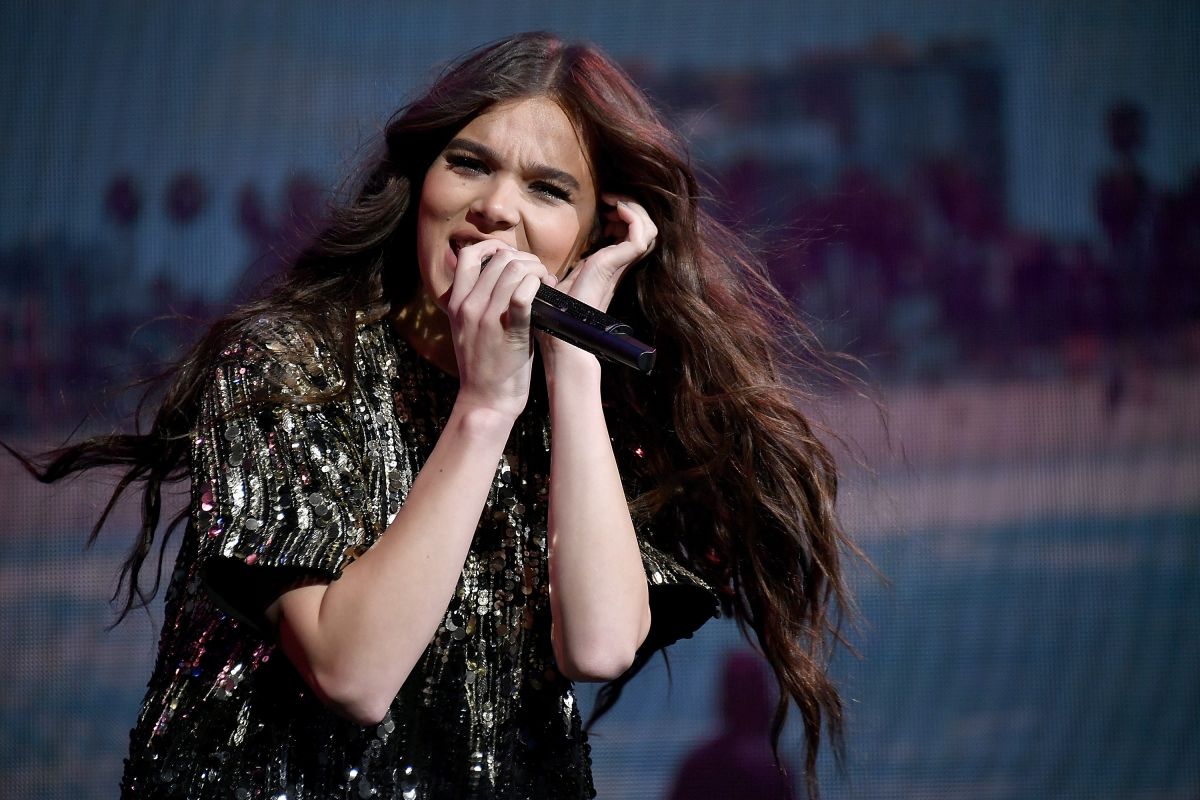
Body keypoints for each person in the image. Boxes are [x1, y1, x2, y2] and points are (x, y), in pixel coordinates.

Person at [23, 31, 856, 799]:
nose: (495, 206)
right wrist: (487, 404)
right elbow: (353, 673)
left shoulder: (583, 419)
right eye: (469, 164)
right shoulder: (284, 367)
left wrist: (571, 372)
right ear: (421, 182)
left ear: (588, 233)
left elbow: (598, 647)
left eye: (546, 188)